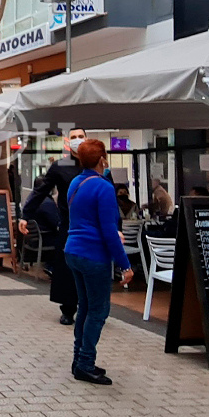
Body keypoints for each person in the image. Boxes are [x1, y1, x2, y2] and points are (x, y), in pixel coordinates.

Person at [19, 128, 114, 325]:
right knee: (67, 269)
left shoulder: (100, 167)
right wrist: (25, 215)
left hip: (96, 228)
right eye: (73, 138)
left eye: (81, 137)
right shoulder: (60, 167)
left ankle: (92, 309)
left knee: (94, 269)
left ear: (87, 139)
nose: (77, 141)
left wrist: (116, 227)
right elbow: (40, 191)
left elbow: (110, 198)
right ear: (66, 142)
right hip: (69, 226)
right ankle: (68, 309)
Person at [65, 139, 134, 385]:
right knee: (98, 310)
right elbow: (108, 231)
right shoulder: (104, 187)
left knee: (84, 306)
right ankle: (85, 363)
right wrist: (125, 265)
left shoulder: (75, 183)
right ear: (102, 159)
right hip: (94, 255)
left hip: (73, 251)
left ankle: (79, 359)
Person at [24, 176, 61, 254]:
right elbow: (56, 223)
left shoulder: (31, 199)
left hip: (32, 238)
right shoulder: (46, 203)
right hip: (44, 238)